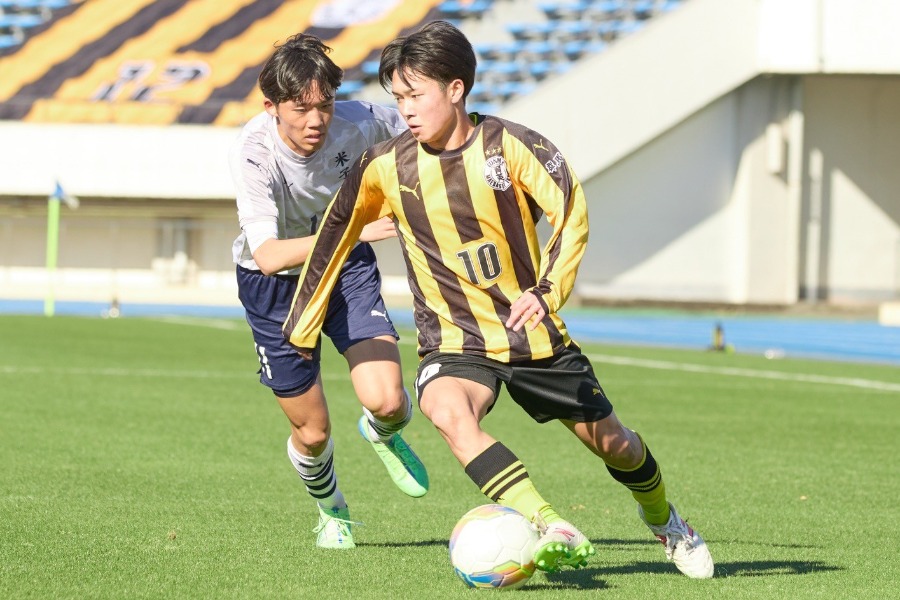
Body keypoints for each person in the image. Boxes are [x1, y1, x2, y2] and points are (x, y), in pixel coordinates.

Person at [283, 21, 713, 578]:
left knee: (618, 447)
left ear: (455, 89)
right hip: (454, 339)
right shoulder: (385, 166)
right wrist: (302, 327)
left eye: (416, 95)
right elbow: (333, 238)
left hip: (532, 335)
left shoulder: (512, 146)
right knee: (444, 409)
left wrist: (547, 290)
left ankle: (666, 521)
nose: (405, 109)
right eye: (398, 98)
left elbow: (571, 210)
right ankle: (551, 523)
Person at [229, 33, 428, 550]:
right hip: (274, 286)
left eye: (325, 105)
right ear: (270, 104)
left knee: (388, 402)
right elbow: (270, 254)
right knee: (313, 434)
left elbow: (426, 126)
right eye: (300, 109)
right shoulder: (253, 152)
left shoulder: (362, 120)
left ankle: (381, 433)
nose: (316, 120)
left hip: (344, 268)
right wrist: (354, 231)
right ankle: (333, 509)